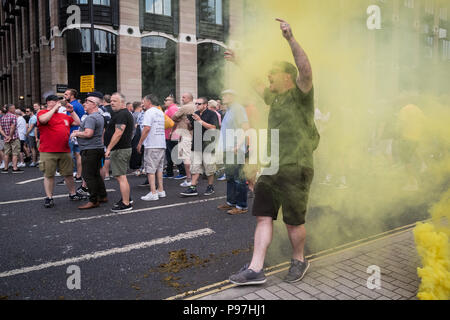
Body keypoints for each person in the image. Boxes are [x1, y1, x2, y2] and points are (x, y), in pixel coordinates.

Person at [227, 19, 320, 285]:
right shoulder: (274, 97)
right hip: (272, 166)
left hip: (297, 165)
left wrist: (290, 38)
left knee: (293, 222)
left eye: (272, 74)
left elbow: (306, 70)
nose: (268, 77)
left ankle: (299, 260)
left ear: (287, 77)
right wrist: (240, 62)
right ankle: (256, 269)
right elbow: (257, 83)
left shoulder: (301, 94)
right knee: (263, 216)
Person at [36, 95, 82, 208]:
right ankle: (49, 197)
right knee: (49, 174)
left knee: (68, 174)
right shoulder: (42, 113)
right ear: (48, 103)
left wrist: (72, 112)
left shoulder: (64, 116)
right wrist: (53, 108)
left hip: (65, 149)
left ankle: (73, 193)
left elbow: (78, 122)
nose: (57, 103)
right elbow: (43, 120)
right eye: (53, 102)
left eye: (57, 102)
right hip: (48, 150)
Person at [70, 92, 108, 210]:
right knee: (95, 173)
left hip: (90, 150)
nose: (84, 103)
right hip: (96, 148)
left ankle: (93, 200)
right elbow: (84, 126)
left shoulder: (91, 117)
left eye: (87, 101)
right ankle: (102, 196)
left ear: (94, 104)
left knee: (88, 175)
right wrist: (72, 112)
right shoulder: (98, 116)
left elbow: (88, 133)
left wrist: (76, 133)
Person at [216, 90, 250, 215]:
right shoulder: (229, 109)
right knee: (230, 177)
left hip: (236, 150)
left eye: (226, 95)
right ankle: (231, 202)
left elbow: (245, 128)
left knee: (239, 179)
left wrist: (238, 145)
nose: (223, 97)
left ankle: (242, 206)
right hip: (228, 149)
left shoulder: (238, 108)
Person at [180, 97, 219, 197]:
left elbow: (213, 127)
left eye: (199, 104)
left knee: (209, 168)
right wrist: (189, 124)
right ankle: (193, 187)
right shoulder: (195, 114)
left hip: (208, 144)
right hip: (196, 144)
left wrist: (200, 121)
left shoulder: (212, 114)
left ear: (205, 105)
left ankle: (210, 186)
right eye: (196, 103)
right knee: (195, 167)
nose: (197, 105)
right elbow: (191, 129)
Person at [104, 92, 134, 212]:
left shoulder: (122, 114)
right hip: (121, 149)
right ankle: (127, 198)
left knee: (121, 176)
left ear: (122, 103)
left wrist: (109, 148)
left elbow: (118, 133)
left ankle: (126, 203)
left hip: (120, 149)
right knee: (120, 176)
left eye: (115, 101)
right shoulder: (121, 114)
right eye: (111, 100)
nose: (112, 103)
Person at [137, 94, 167, 201]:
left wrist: (140, 143)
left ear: (149, 101)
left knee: (150, 170)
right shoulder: (160, 112)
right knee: (159, 168)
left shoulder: (149, 112)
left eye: (143, 101)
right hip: (161, 143)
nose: (142, 104)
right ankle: (160, 190)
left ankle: (153, 192)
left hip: (152, 144)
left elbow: (146, 128)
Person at [172, 93, 196, 187]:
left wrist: (179, 120)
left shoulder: (185, 107)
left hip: (186, 135)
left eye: (183, 97)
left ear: (189, 98)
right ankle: (194, 177)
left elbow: (173, 117)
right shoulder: (195, 106)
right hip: (194, 134)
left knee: (186, 158)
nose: (182, 99)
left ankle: (189, 179)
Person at [64, 89, 85, 182]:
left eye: (66, 94)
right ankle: (79, 176)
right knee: (78, 154)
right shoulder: (79, 105)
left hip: (72, 133)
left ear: (72, 96)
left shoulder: (72, 105)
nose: (64, 95)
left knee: (69, 155)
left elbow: (70, 121)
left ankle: (70, 176)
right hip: (78, 132)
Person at [164, 96, 186, 179]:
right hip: (170, 134)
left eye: (166, 100)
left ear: (172, 101)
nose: (164, 101)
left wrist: (172, 132)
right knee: (169, 154)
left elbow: (176, 121)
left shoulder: (172, 109)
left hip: (173, 135)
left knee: (174, 154)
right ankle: (169, 172)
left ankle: (182, 172)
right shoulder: (171, 108)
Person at [0, 104, 23, 173]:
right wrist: (10, 136)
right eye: (13, 108)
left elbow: (0, 129)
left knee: (6, 153)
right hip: (14, 137)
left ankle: (5, 168)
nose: (14, 110)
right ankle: (15, 168)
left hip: (6, 138)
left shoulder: (3, 117)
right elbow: (12, 127)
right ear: (10, 109)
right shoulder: (13, 116)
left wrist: (5, 136)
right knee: (15, 153)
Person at [101, 94, 113, 181]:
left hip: (107, 134)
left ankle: (106, 173)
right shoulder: (115, 109)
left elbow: (103, 125)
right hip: (115, 133)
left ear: (104, 101)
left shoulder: (103, 110)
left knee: (107, 153)